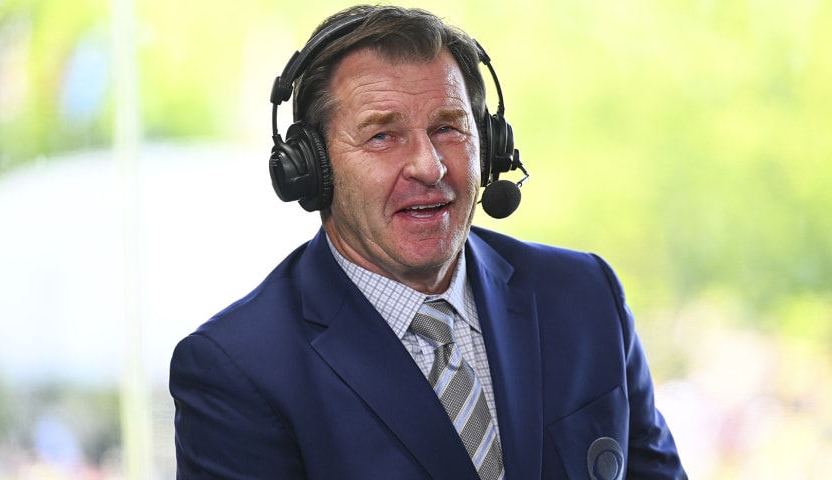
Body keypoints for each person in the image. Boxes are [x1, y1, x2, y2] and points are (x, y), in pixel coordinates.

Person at [169, 4, 687, 479]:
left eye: (447, 127)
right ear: (313, 170)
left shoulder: (585, 296)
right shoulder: (235, 370)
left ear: (490, 144)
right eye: (382, 135)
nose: (429, 165)